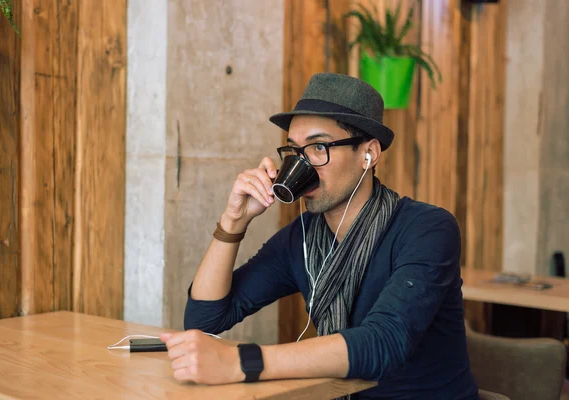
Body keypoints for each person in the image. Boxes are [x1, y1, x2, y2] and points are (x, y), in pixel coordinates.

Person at [160, 73, 479, 400]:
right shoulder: (301, 239)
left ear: (368, 154)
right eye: (295, 150)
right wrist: (234, 220)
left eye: (318, 147)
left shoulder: (426, 229)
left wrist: (241, 362)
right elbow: (205, 318)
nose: (302, 164)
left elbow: (383, 343)